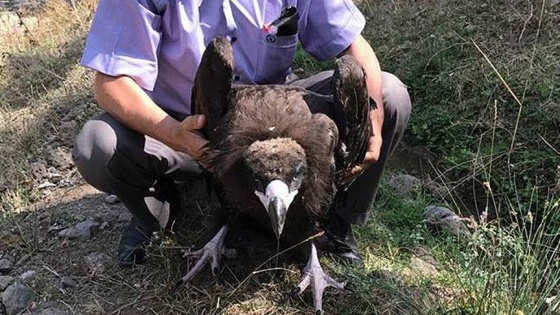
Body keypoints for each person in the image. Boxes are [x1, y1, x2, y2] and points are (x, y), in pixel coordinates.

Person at [73, 0, 412, 267]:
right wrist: (175, 132)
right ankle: (159, 209)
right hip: (182, 123)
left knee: (387, 97)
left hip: (274, 116)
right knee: (99, 146)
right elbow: (111, 85)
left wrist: (373, 122)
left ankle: (333, 223)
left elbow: (356, 47)